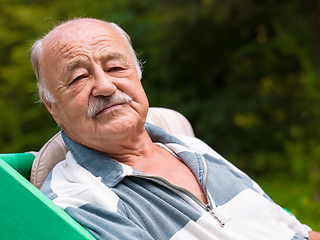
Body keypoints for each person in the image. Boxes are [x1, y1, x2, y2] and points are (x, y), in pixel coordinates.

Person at [31, 17, 320, 240]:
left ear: (138, 77)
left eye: (117, 68)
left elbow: (294, 230)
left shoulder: (191, 148)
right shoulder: (78, 199)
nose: (105, 86)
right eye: (79, 77)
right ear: (53, 107)